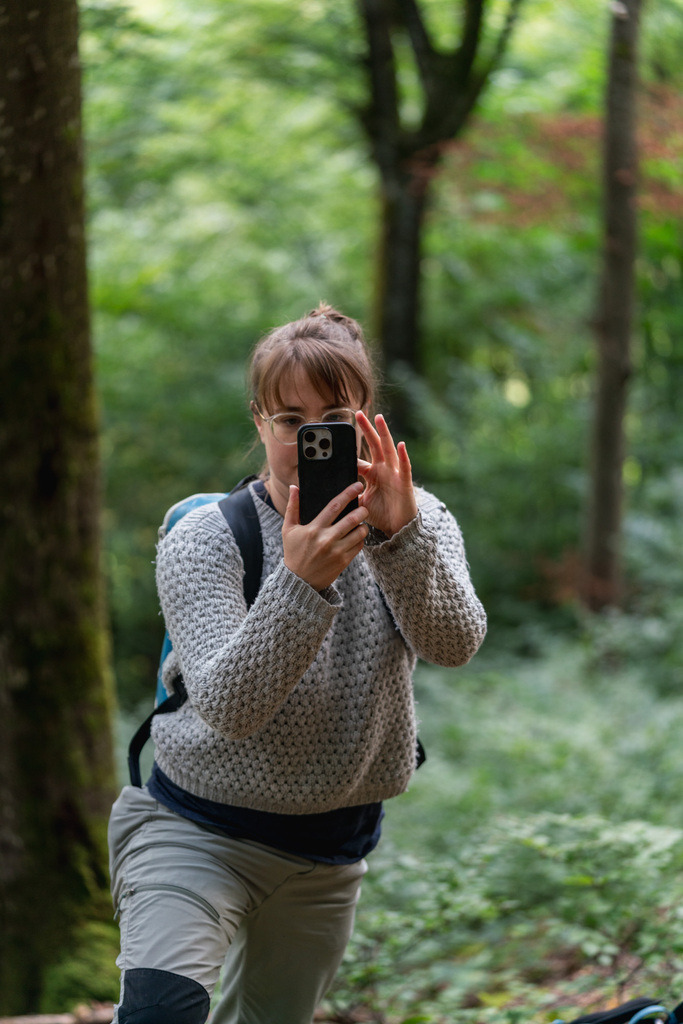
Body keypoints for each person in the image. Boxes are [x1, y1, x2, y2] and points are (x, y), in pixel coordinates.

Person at [108, 303, 487, 1024]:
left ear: (366, 417)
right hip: (194, 830)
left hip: (327, 852)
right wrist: (300, 582)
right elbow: (227, 705)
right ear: (259, 421)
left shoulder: (419, 519)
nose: (308, 437)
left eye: (333, 415)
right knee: (160, 1013)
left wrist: (400, 541)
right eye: (289, 420)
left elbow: (455, 644)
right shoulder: (205, 539)